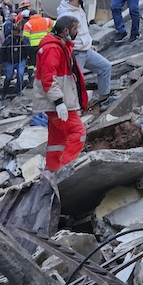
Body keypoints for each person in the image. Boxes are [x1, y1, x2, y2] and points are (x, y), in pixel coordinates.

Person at [33, 16, 88, 171]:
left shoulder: (59, 46)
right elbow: (48, 78)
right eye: (75, 28)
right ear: (66, 31)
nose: (77, 32)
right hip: (57, 103)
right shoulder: (53, 49)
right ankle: (65, 171)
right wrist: (58, 102)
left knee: (58, 140)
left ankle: (52, 170)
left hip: (57, 102)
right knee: (78, 133)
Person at [58, 0, 116, 107]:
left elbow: (84, 29)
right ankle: (72, 106)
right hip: (76, 52)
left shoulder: (79, 8)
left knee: (105, 67)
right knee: (73, 81)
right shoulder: (65, 14)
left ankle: (104, 98)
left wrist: (88, 43)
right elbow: (65, 36)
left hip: (86, 50)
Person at [0, 13, 29, 96]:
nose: (18, 33)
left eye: (20, 31)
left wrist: (22, 41)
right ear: (12, 31)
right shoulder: (8, 40)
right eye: (16, 31)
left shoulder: (24, 39)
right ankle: (4, 92)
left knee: (20, 74)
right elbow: (3, 50)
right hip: (10, 61)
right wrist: (1, 62)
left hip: (20, 60)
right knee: (8, 77)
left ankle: (18, 91)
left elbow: (28, 49)